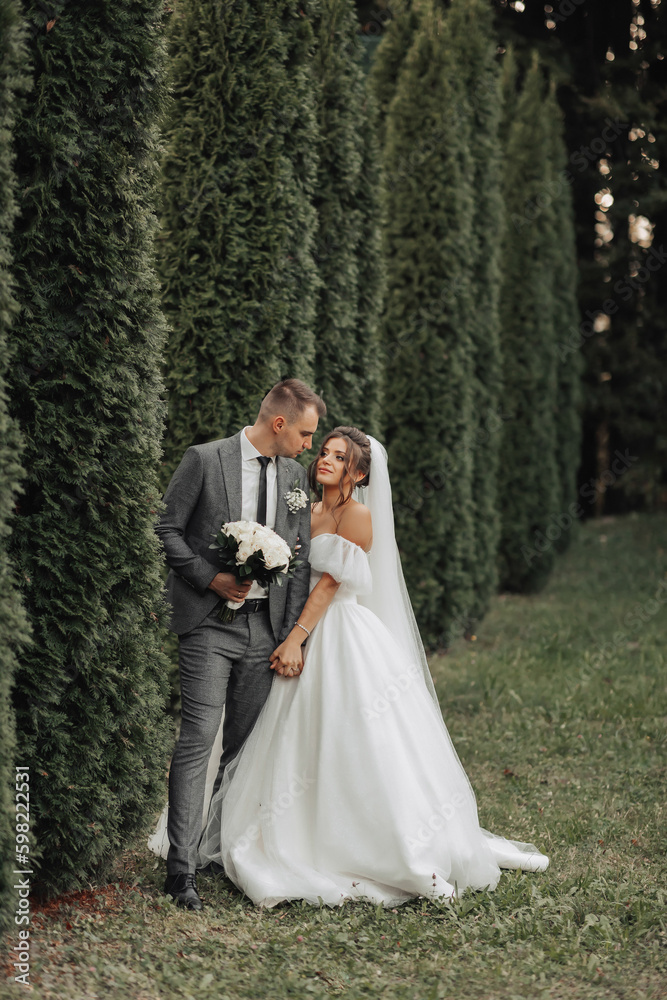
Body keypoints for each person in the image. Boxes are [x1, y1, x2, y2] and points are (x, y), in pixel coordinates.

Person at [195, 426, 549, 908]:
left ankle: (367, 843)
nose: (325, 461)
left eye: (339, 458)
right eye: (324, 452)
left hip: (334, 634)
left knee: (349, 731)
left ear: (358, 473)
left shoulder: (357, 516)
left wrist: (297, 639)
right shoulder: (304, 508)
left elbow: (329, 586)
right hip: (292, 626)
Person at [154, 378, 325, 910]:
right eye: (305, 433)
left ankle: (223, 853)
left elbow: (297, 561)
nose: (309, 446)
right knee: (197, 741)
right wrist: (211, 578)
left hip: (265, 632)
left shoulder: (296, 477)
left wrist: (292, 635)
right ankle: (181, 871)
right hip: (209, 625)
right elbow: (166, 528)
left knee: (246, 750)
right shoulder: (205, 459)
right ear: (279, 424)